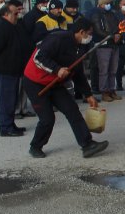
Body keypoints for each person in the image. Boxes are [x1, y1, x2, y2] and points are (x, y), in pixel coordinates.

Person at [22, 17, 108, 158]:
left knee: (72, 110)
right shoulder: (57, 39)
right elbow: (39, 57)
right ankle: (35, 146)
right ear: (81, 32)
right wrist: (57, 69)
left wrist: (88, 95)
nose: (90, 37)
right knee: (47, 119)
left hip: (55, 84)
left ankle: (87, 144)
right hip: (35, 82)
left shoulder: (80, 46)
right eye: (89, 33)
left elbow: (78, 72)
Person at [0, 2, 31, 136]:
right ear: (6, 14)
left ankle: (10, 123)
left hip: (12, 69)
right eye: (15, 14)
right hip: (4, 69)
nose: (17, 16)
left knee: (11, 99)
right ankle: (5, 127)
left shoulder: (12, 26)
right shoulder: (2, 27)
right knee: (6, 99)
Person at [91, 0, 122, 102]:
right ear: (101, 4)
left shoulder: (112, 14)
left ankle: (112, 90)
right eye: (106, 3)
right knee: (104, 70)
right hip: (103, 45)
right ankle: (104, 92)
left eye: (109, 3)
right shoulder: (97, 14)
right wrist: (113, 36)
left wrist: (118, 34)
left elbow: (119, 26)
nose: (108, 5)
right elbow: (99, 30)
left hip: (114, 44)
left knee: (113, 69)